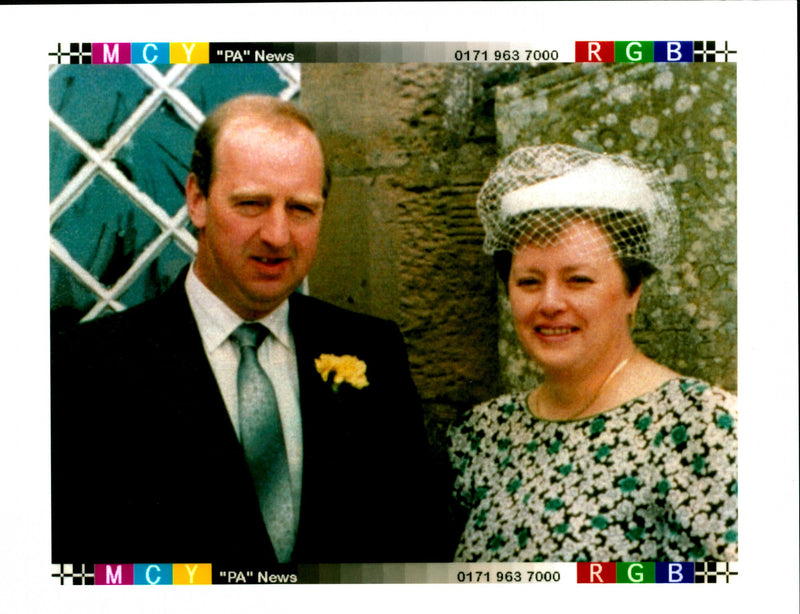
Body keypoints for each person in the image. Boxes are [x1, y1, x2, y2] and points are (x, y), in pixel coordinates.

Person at [51, 95, 444, 565]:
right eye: (253, 204)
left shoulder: (372, 351)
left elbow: (413, 545)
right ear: (197, 199)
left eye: (300, 209)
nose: (278, 235)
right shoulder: (85, 368)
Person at [449, 144, 737, 562]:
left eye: (578, 280)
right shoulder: (482, 434)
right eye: (529, 281)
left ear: (632, 290)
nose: (549, 303)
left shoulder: (703, 429)